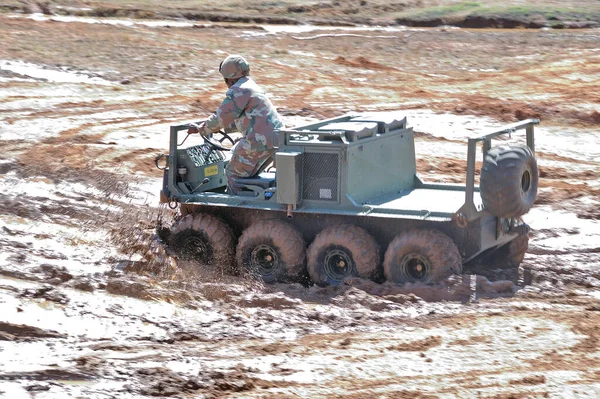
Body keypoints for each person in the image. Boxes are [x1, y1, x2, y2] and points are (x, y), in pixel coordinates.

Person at [188, 54, 284, 194]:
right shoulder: (250, 85)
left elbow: (220, 118)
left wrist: (200, 129)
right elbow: (245, 118)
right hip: (275, 140)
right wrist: (222, 129)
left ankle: (235, 209)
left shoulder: (238, 90)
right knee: (247, 173)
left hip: (258, 141)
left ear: (228, 78)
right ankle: (252, 198)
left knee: (233, 173)